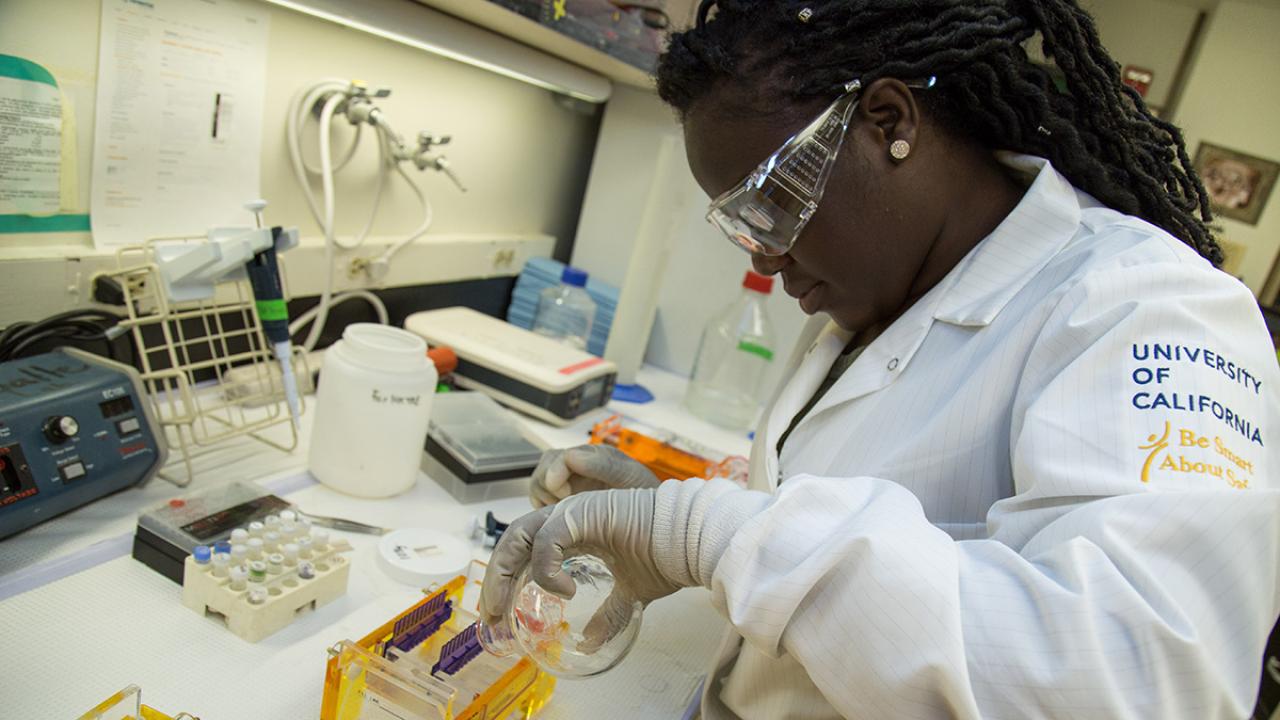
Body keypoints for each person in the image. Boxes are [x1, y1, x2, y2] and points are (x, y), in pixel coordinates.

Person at [482, 1, 1280, 717]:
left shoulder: (1148, 308)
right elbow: (841, 509)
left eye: (772, 203)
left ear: (887, 120)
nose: (766, 253)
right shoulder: (889, 292)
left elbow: (1143, 685)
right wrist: (671, 518)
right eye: (742, 224)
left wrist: (708, 534)